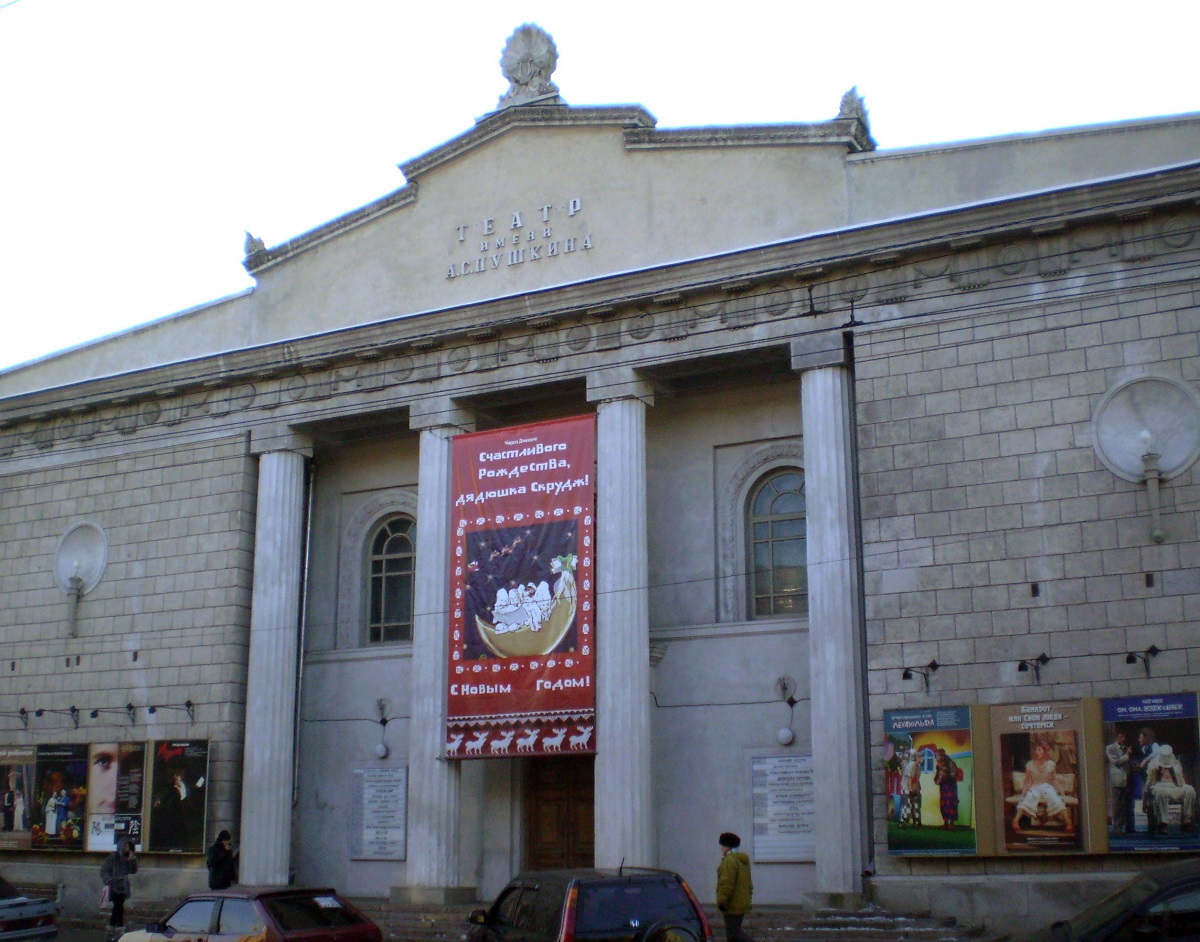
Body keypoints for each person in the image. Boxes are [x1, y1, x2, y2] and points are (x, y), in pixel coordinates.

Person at [1012, 740, 1072, 833]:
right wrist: (1023, 793)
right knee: (1029, 797)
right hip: (1034, 786)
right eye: (1036, 750)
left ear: (1044, 751)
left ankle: (1069, 823)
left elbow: (1053, 779)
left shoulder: (1051, 764)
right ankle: (1015, 821)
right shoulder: (1030, 764)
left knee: (1055, 798)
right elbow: (1027, 781)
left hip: (1046, 786)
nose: (1037, 752)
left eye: (1039, 750)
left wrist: (1061, 790)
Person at [1144, 744, 1197, 835]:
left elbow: (1181, 781)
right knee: (1159, 792)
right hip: (1159, 786)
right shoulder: (1153, 763)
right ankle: (1162, 823)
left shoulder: (1176, 763)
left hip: (1174, 787)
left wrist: (1182, 785)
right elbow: (1148, 784)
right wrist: (1144, 799)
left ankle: (1186, 821)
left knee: (1190, 790)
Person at [715, 831, 754, 942]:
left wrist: (722, 901)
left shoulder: (729, 860)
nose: (721, 848)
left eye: (722, 846)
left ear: (727, 847)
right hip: (741, 903)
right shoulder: (742, 860)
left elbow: (726, 883)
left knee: (733, 934)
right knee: (734, 934)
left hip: (732, 904)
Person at [100, 837, 138, 939]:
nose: (126, 848)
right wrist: (108, 879)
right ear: (121, 846)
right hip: (113, 885)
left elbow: (133, 871)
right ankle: (117, 925)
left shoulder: (129, 857)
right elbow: (104, 870)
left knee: (119, 905)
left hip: (123, 886)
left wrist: (132, 859)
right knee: (118, 905)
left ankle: (113, 926)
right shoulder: (113, 856)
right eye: (125, 846)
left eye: (128, 846)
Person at [1105, 731, 1131, 835]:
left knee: (1124, 805)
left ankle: (1124, 826)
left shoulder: (1126, 748)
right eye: (1121, 736)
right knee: (1117, 805)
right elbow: (1116, 762)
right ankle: (1117, 827)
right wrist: (1127, 755)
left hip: (1127, 779)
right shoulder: (1110, 748)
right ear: (1117, 737)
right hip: (1117, 779)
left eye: (1124, 736)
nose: (1123, 738)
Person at [933, 749, 959, 829]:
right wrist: (937, 780)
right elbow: (937, 775)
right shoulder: (938, 765)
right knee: (943, 804)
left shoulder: (950, 763)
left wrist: (946, 777)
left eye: (938, 756)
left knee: (951, 803)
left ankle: (951, 823)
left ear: (942, 755)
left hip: (950, 786)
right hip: (943, 786)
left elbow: (954, 774)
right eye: (936, 756)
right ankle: (945, 822)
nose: (936, 757)